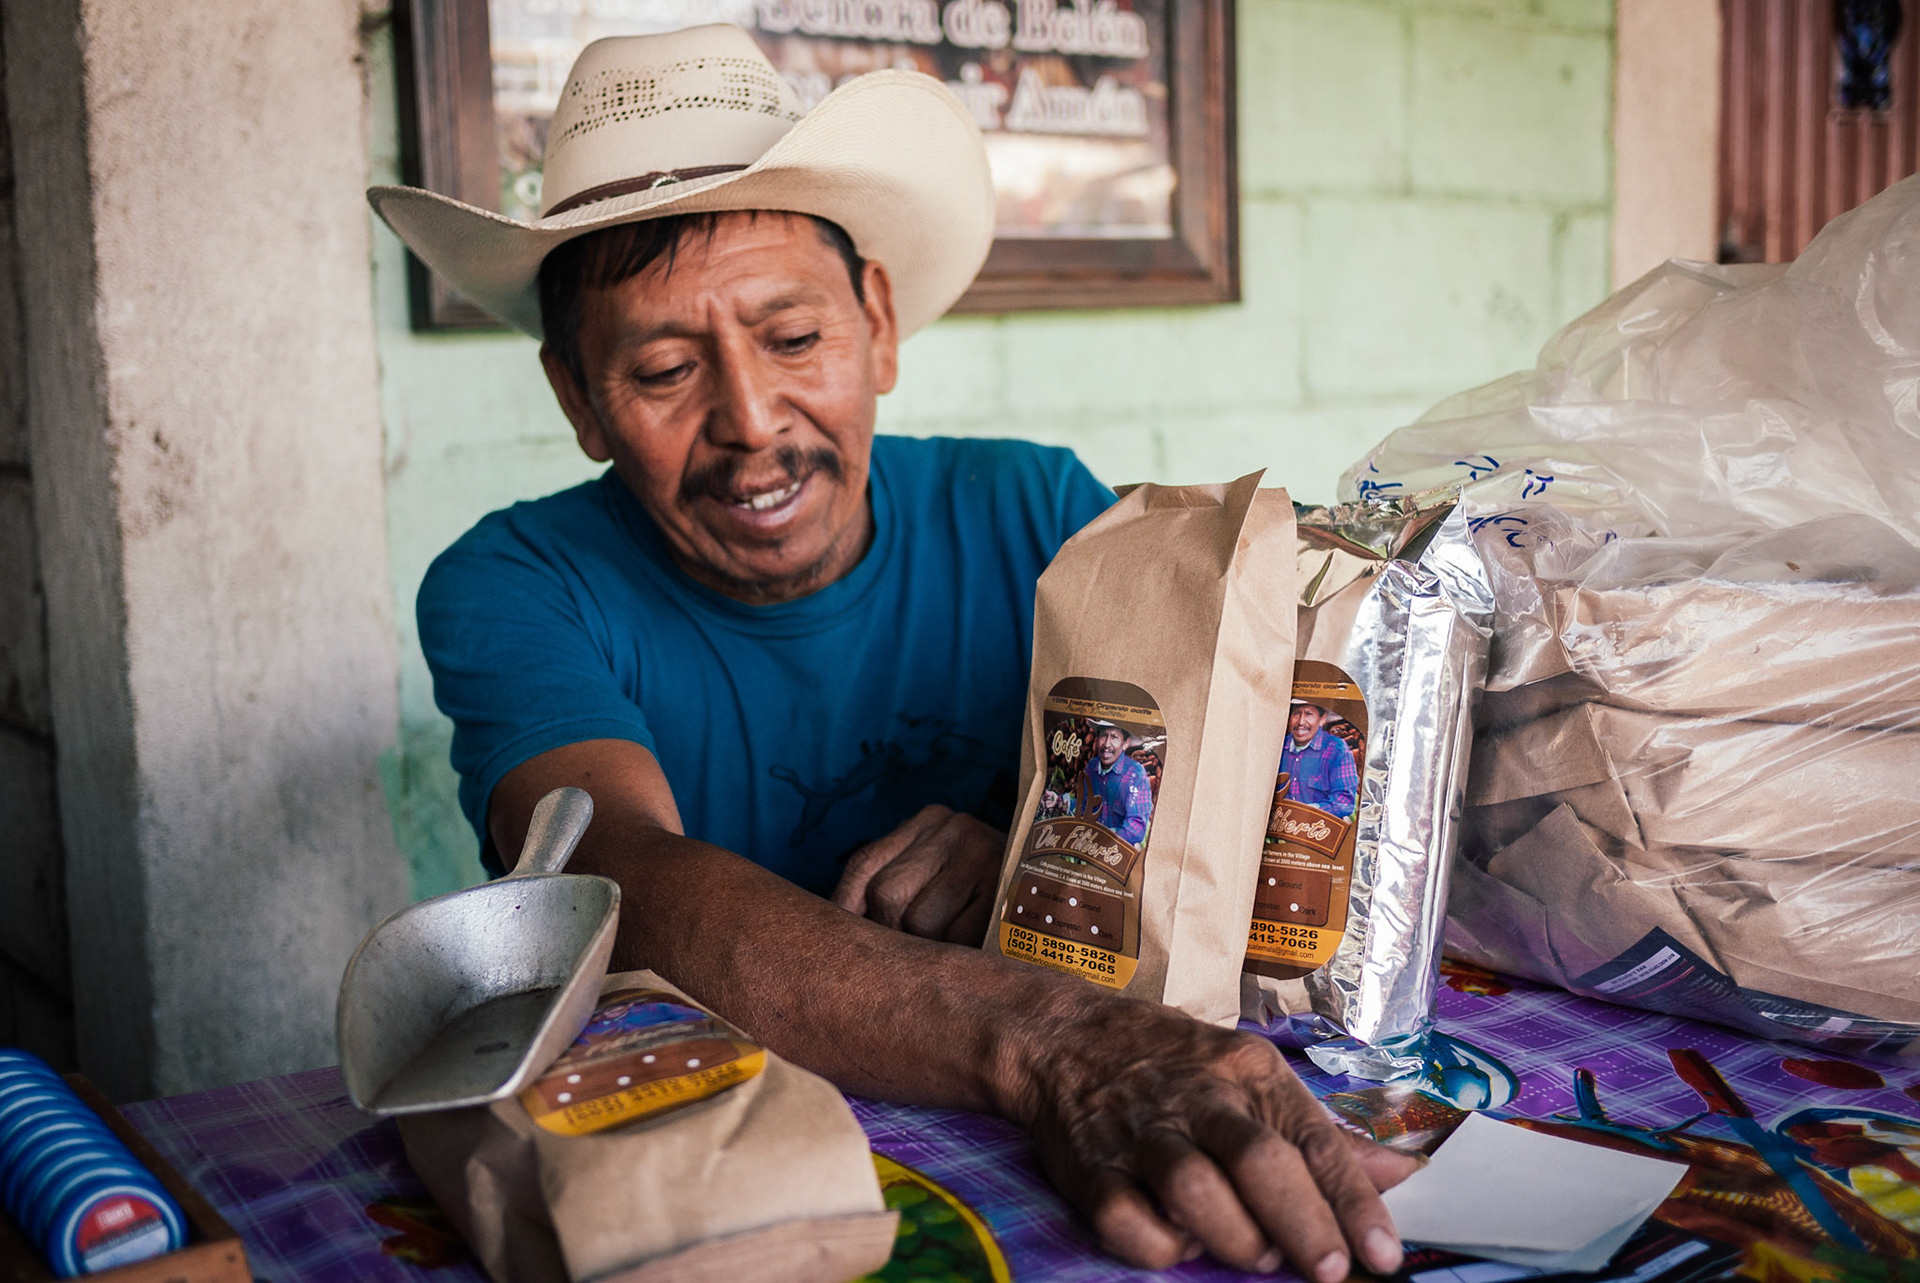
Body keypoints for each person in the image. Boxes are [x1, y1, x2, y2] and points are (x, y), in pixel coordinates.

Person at [371, 25, 1413, 1277]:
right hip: (739, 1174)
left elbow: (1218, 794)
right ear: (578, 398)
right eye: (661, 368)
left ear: (876, 322)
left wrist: (1029, 836)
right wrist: (1057, 1039)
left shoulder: (1041, 514)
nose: (752, 425)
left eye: (795, 340)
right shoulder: (514, 583)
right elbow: (613, 879)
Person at [1066, 721, 1155, 845]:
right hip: (1090, 844)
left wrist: (1106, 839)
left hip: (1118, 849)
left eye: (1114, 737)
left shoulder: (1136, 774)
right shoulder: (1092, 767)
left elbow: (1136, 826)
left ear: (1126, 743)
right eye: (1103, 735)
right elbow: (1086, 806)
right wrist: (1062, 801)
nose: (1107, 744)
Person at [1280, 701, 1359, 820]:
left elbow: (1344, 802)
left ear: (1322, 719)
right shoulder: (1278, 745)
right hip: (1277, 831)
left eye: (1309, 714)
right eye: (1296, 713)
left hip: (1317, 831)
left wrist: (1308, 812)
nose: (1301, 722)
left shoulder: (1336, 748)